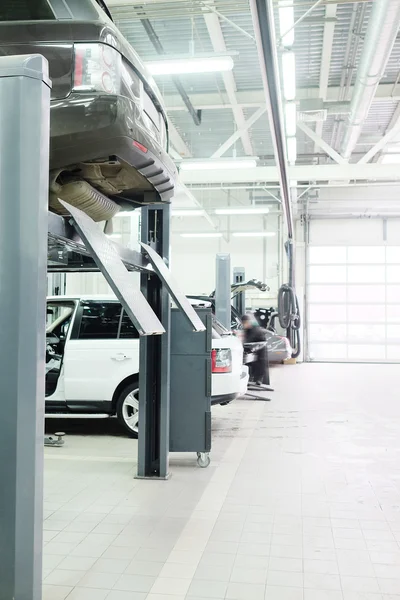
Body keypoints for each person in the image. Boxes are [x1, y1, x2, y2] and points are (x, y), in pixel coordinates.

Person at [241, 314, 269, 385]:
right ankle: (253, 378)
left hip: (260, 350)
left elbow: (249, 339)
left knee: (260, 364)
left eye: (245, 323)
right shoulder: (248, 329)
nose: (244, 325)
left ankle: (258, 379)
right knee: (253, 364)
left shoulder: (255, 329)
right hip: (254, 349)